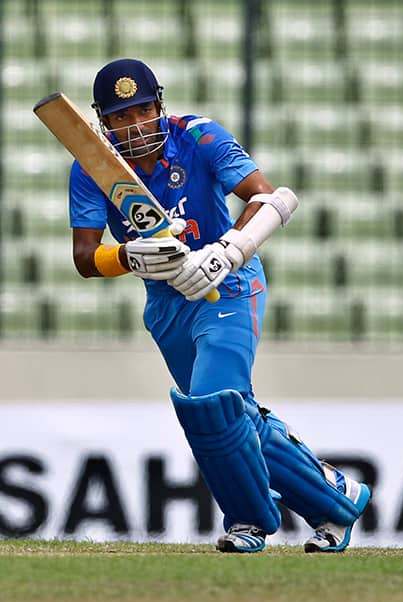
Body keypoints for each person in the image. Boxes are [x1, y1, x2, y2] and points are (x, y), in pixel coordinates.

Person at [69, 58, 371, 553]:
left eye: (143, 110)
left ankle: (249, 522)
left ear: (159, 105)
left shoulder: (198, 136)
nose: (135, 125)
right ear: (104, 120)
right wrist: (129, 256)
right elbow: (85, 259)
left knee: (212, 403)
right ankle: (338, 500)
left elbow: (269, 200)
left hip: (229, 286)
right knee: (236, 417)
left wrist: (225, 251)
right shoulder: (93, 167)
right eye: (122, 116)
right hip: (168, 304)